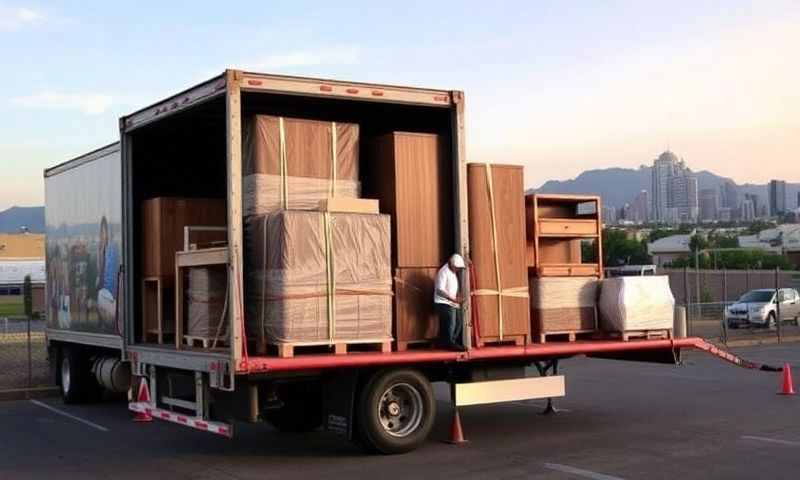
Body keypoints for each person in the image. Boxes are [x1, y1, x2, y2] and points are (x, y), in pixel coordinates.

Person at [434, 253, 467, 351]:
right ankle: (450, 344)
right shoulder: (443, 272)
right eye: (457, 268)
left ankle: (448, 342)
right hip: (443, 302)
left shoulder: (452, 271)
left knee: (458, 323)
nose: (458, 270)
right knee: (451, 323)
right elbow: (439, 290)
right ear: (452, 265)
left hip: (452, 301)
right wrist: (452, 299)